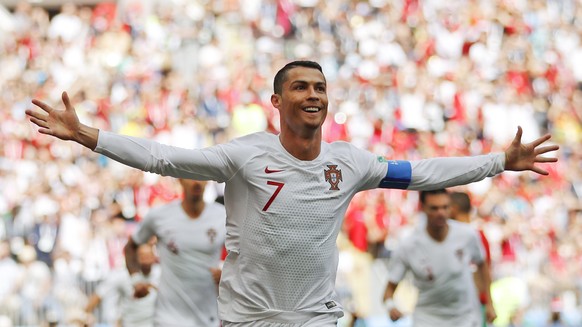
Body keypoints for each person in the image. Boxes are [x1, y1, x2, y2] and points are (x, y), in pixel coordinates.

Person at [26, 60, 559, 326]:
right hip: (246, 319)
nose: (313, 95)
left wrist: (498, 162)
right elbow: (163, 157)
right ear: (277, 101)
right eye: (301, 87)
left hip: (315, 319)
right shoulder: (244, 157)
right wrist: (87, 134)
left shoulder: (348, 163)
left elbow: (421, 172)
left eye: (320, 88)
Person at [125, 178, 226, 327]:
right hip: (168, 318)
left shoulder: (223, 216)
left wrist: (227, 274)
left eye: (201, 175)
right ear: (179, 179)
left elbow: (245, 255)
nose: (196, 182)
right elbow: (130, 247)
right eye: (190, 176)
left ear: (208, 180)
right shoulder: (159, 216)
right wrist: (136, 280)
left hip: (208, 316)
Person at [383, 189, 492, 327]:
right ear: (423, 208)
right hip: (428, 319)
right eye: (434, 208)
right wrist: (390, 306)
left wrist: (489, 303)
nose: (440, 213)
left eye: (445, 207)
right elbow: (389, 289)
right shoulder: (408, 245)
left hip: (465, 317)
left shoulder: (468, 235)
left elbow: (482, 265)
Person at [84, 243, 159, 327]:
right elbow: (99, 293)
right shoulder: (122, 275)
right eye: (142, 256)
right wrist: (85, 315)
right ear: (135, 258)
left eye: (148, 256)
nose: (145, 260)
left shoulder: (161, 274)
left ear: (153, 257)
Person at [450, 191, 496, 326]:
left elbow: (483, 270)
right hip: (469, 303)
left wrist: (489, 303)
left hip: (470, 305)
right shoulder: (479, 234)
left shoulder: (473, 236)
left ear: (453, 209)